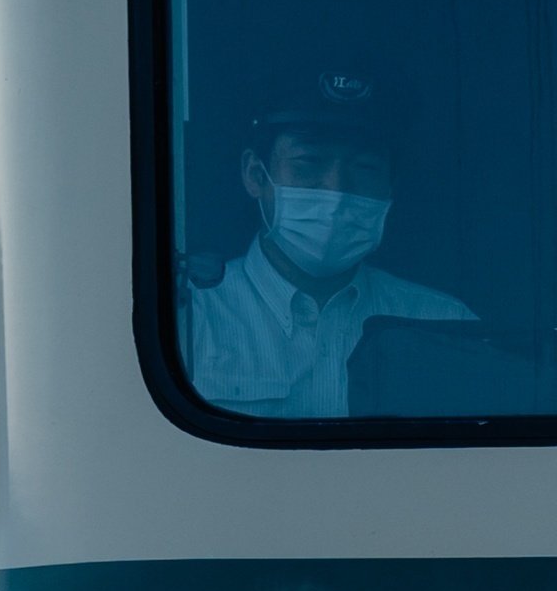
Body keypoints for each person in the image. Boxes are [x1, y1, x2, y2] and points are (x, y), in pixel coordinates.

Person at [180, 71, 474, 422]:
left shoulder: (446, 324)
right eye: (309, 163)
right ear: (256, 175)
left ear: (390, 188)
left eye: (364, 168)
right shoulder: (188, 319)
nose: (335, 191)